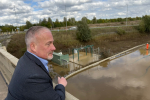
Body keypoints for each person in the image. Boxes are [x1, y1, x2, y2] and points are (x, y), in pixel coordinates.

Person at [5, 26, 67, 100]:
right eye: (48, 44)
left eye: (52, 43)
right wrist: (61, 85)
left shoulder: (24, 59)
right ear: (33, 47)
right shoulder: (34, 77)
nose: (54, 48)